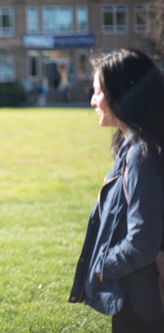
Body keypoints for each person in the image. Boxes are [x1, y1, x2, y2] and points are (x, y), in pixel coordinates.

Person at [69, 49, 164, 332]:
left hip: (141, 303)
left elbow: (142, 243)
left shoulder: (141, 154)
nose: (93, 100)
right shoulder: (136, 146)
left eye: (98, 92)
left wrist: (102, 265)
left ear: (122, 93)